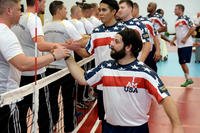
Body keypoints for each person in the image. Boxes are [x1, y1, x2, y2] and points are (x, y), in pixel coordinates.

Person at [65, 28, 184, 133]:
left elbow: (165, 99)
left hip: (136, 129)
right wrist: (67, 56)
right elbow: (83, 78)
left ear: (128, 47)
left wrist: (177, 126)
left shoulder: (145, 73)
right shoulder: (106, 67)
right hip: (110, 128)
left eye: (116, 41)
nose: (111, 44)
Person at [0, 0, 68, 132]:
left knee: (22, 116)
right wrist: (54, 54)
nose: (21, 13)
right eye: (19, 9)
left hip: (15, 84)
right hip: (11, 93)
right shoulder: (10, 31)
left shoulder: (10, 29)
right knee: (43, 114)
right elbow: (23, 63)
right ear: (9, 11)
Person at [67, 0, 126, 128]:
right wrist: (74, 47)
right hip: (102, 85)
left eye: (104, 10)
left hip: (120, 84)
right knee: (104, 121)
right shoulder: (96, 31)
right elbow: (87, 53)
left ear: (114, 12)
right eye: (99, 10)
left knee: (122, 121)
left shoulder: (124, 31)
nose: (100, 13)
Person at [43, 1, 84, 132]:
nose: (66, 11)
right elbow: (79, 42)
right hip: (66, 68)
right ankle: (70, 128)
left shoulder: (45, 26)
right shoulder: (67, 24)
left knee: (52, 100)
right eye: (65, 9)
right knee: (68, 100)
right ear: (59, 10)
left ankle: (53, 124)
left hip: (49, 67)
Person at [170, 4, 195, 87]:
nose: (174, 10)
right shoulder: (177, 20)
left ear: (180, 10)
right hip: (180, 45)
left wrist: (185, 38)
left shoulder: (185, 18)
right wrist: (173, 40)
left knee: (183, 62)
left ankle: (189, 79)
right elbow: (178, 33)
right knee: (181, 62)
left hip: (186, 44)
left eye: (176, 9)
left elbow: (193, 28)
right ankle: (188, 79)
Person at [132, 2, 161, 72]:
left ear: (136, 9)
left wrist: (158, 50)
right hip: (134, 53)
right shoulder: (128, 22)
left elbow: (155, 36)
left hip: (148, 53)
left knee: (151, 72)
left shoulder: (146, 21)